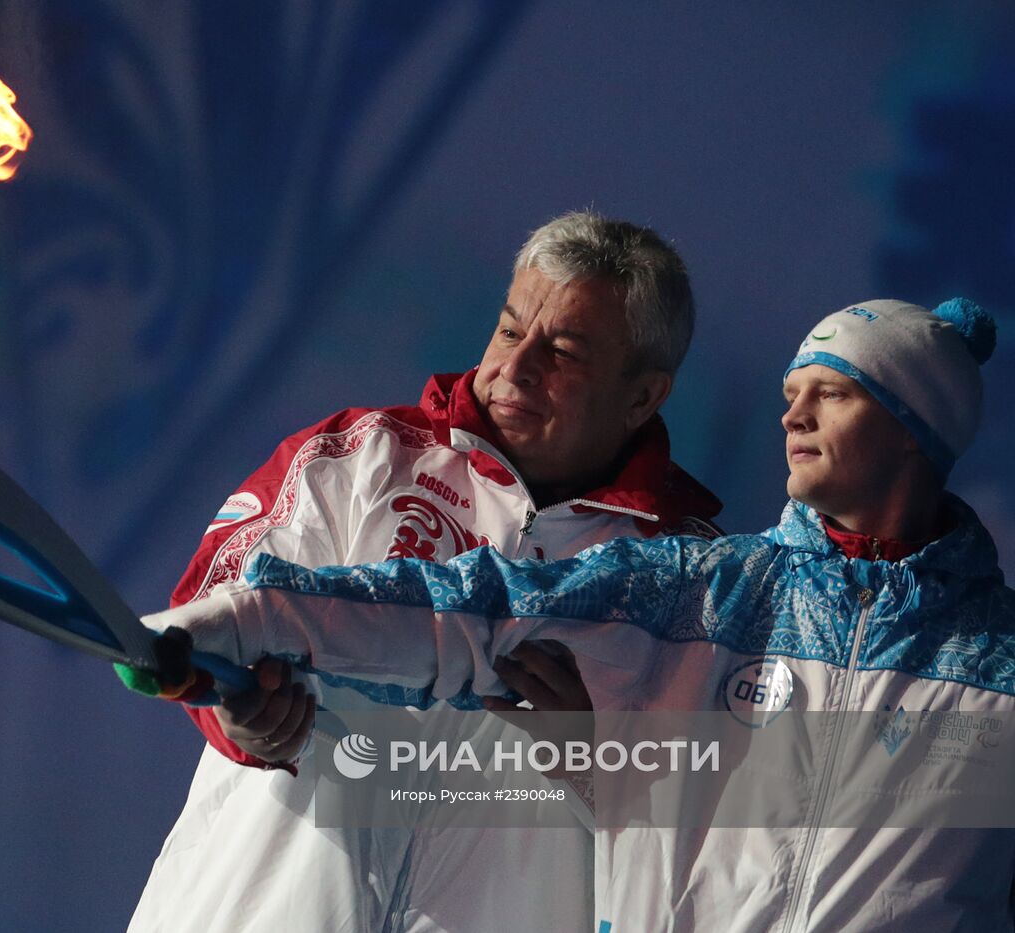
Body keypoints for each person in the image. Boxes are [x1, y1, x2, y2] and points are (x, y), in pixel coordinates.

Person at [150, 296, 1015, 930]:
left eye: (836, 392)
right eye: (507, 324)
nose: (793, 413)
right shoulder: (701, 589)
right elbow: (460, 606)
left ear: (913, 428)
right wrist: (231, 622)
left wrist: (595, 762)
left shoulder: (997, 668)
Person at [128, 211, 723, 932]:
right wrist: (241, 713)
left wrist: (604, 767)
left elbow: (728, 837)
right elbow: (209, 610)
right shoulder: (358, 456)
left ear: (642, 396)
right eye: (509, 329)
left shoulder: (695, 580)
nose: (516, 366)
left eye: (563, 351)